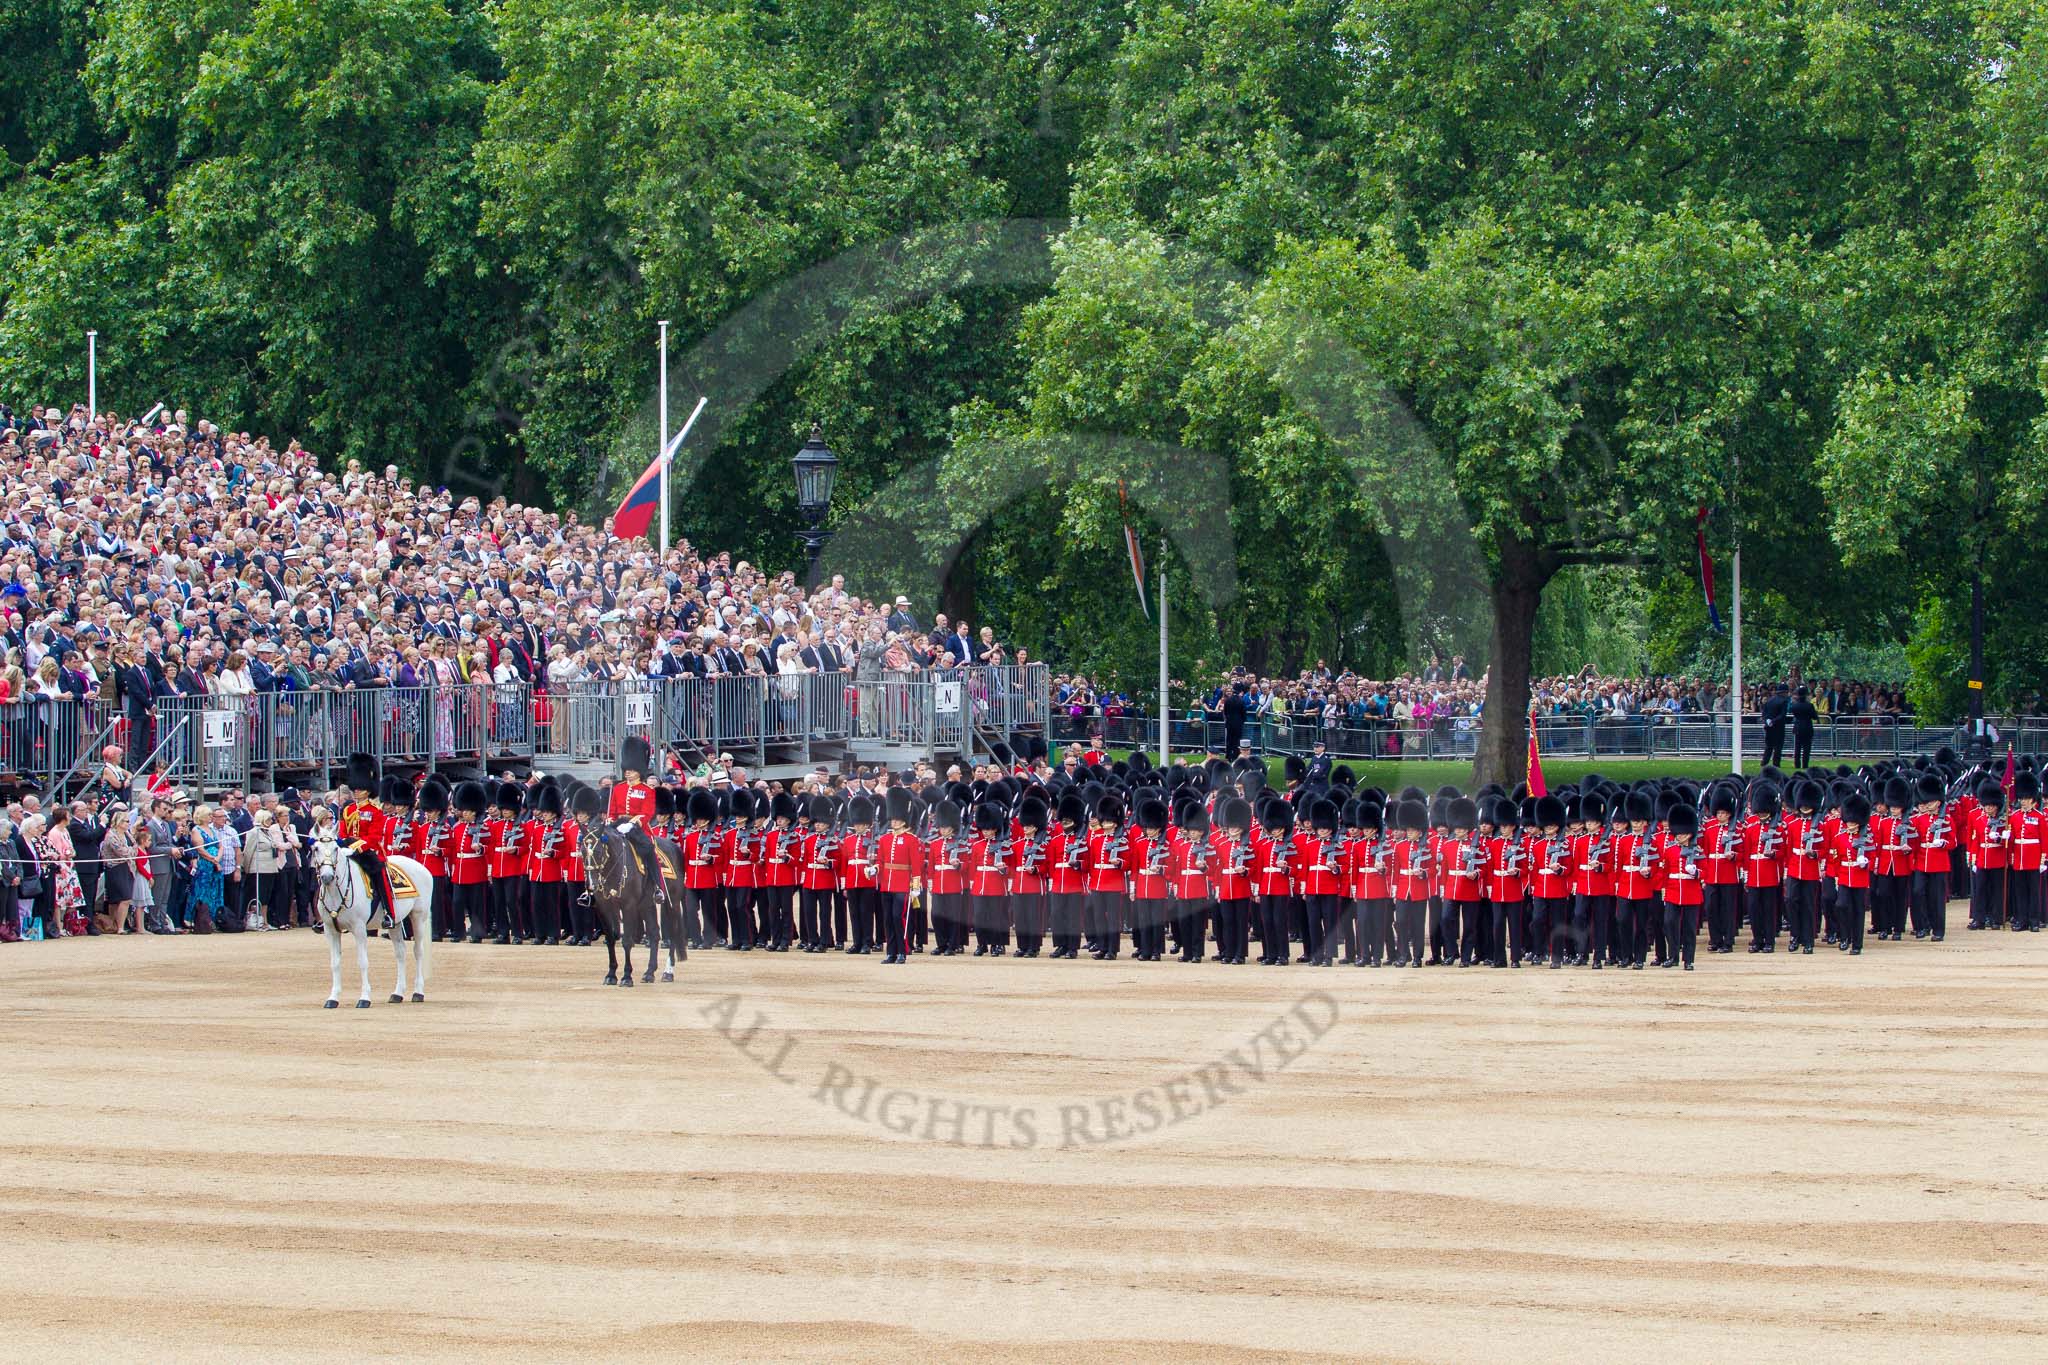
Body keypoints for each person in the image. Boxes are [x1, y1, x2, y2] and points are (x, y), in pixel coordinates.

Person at [1759, 684, 1790, 769]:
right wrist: (1774, 721)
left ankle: (1764, 762)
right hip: (1779, 727)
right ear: (1784, 692)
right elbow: (1782, 715)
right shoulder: (1783, 701)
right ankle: (1776, 763)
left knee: (1769, 745)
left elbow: (1764, 713)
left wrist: (1768, 721)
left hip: (1769, 726)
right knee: (1778, 746)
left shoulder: (1769, 700)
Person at [1789, 686, 1819, 769]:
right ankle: (1805, 764)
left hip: (1798, 727)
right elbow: (1814, 716)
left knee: (1797, 747)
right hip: (1807, 727)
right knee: (1806, 748)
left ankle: (1797, 764)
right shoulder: (1809, 705)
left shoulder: (1795, 706)